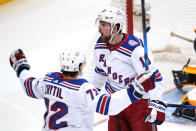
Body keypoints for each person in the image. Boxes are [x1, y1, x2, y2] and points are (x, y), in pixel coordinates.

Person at [9, 48, 153, 131]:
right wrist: (134, 92)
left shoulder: (48, 81)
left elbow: (29, 86)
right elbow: (110, 106)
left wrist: (21, 67)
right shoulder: (83, 90)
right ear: (79, 67)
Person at [91, 7, 167, 131]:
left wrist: (156, 105)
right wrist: (90, 93)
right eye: (99, 23)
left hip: (139, 105)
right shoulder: (99, 46)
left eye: (103, 24)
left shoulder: (135, 49)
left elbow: (154, 78)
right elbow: (100, 73)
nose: (99, 28)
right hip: (115, 103)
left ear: (115, 27)